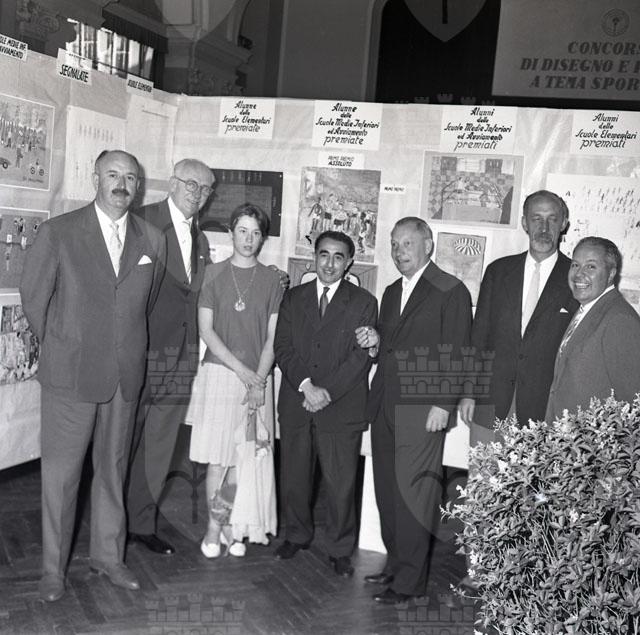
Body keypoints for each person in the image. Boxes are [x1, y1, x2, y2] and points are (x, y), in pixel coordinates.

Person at [20, 150, 166, 602]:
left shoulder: (152, 239)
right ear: (95, 178)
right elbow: (34, 299)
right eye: (113, 175)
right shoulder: (59, 232)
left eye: (131, 177)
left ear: (138, 186)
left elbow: (146, 303)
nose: (122, 184)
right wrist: (64, 345)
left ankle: (108, 557)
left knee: (113, 470)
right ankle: (52, 571)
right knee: (61, 476)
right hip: (70, 375)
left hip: (125, 377)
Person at [356, 217, 472, 603]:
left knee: (413, 498)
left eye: (407, 243)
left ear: (428, 246)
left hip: (422, 410)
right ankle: (395, 566)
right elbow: (388, 345)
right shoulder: (392, 291)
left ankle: (409, 582)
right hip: (384, 404)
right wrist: (374, 342)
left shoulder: (450, 290)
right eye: (394, 244)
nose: (399, 251)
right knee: (387, 493)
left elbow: (458, 352)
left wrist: (443, 404)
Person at [273, 230, 377, 577]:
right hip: (297, 402)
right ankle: (296, 535)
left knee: (340, 484)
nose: (329, 264)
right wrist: (307, 387)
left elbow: (359, 358)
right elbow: (283, 347)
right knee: (294, 478)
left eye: (338, 257)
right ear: (313, 257)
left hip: (340, 407)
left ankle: (339, 549)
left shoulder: (364, 302)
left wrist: (324, 392)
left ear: (349, 263)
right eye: (323, 255)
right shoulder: (293, 298)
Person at [126, 159, 215, 556]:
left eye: (206, 188)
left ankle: (141, 524)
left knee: (159, 446)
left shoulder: (201, 240)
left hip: (180, 360)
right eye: (191, 184)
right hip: (140, 355)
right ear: (173, 183)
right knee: (122, 443)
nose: (198, 193)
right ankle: (111, 527)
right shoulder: (140, 222)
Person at [189, 203, 283, 557]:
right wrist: (243, 372)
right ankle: (214, 529)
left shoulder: (272, 280)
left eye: (256, 233)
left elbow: (273, 337)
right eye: (242, 231)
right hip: (221, 374)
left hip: (258, 380)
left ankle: (232, 525)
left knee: (244, 460)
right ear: (231, 232)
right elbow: (206, 330)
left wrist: (258, 379)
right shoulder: (213, 274)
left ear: (262, 239)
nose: (249, 239)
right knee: (218, 460)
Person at [459, 190, 579, 441]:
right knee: (483, 467)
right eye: (536, 218)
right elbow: (478, 337)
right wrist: (468, 392)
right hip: (489, 402)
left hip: (543, 410)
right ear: (524, 223)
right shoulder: (498, 271)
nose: (544, 228)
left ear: (564, 224)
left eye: (552, 219)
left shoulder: (576, 278)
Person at [545, 237, 640, 421]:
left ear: (611, 273)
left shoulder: (619, 320)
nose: (579, 274)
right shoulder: (587, 308)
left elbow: (633, 405)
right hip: (565, 434)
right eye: (575, 265)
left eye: (591, 266)